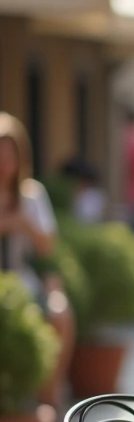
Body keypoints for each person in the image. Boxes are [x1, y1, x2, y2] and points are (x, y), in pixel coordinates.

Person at [0, 112, 74, 405]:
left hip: (22, 281)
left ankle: (48, 400)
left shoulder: (31, 195)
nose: (4, 161)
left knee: (60, 313)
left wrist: (22, 224)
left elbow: (47, 247)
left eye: (10, 154)